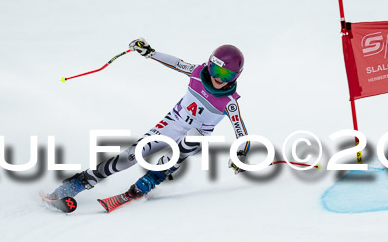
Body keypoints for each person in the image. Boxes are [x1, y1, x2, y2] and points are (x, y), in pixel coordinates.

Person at [44, 38, 251, 202]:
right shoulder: (197, 73)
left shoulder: (229, 102)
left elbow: (241, 132)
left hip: (195, 138)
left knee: (193, 137)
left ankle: (152, 177)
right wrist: (150, 53)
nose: (218, 78)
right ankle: (78, 183)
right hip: (173, 122)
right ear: (209, 65)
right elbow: (176, 63)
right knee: (132, 155)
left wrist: (241, 154)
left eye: (226, 76)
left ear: (235, 78)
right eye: (216, 70)